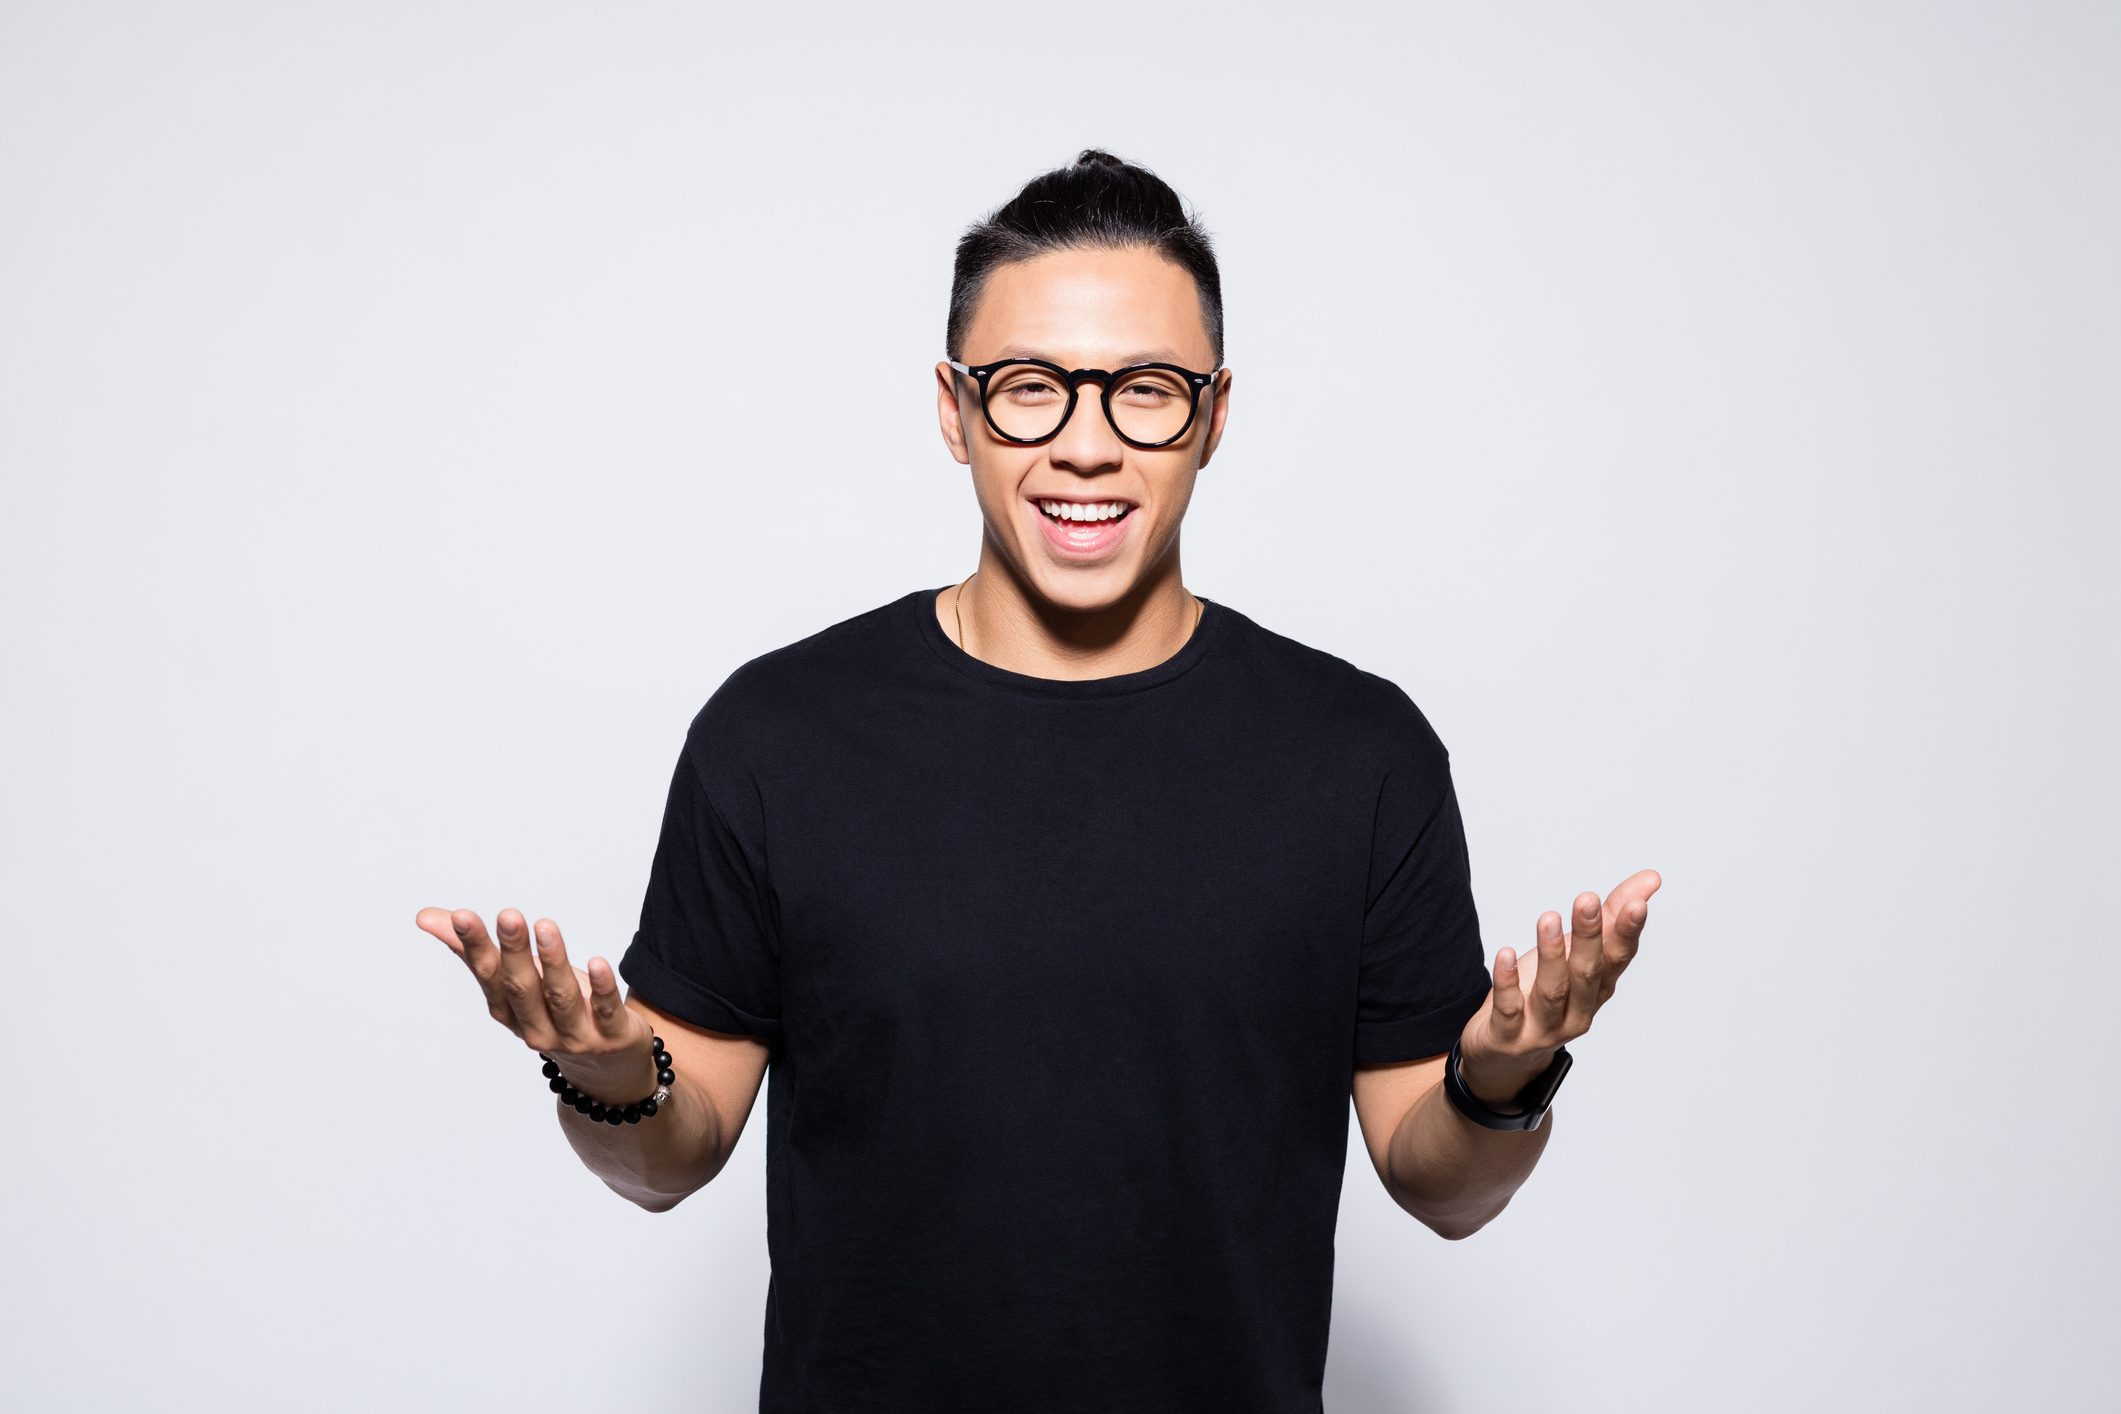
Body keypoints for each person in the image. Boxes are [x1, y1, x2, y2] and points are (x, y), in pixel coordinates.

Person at [416, 148, 1661, 1413]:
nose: (1086, 446)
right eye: (1030, 390)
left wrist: (1504, 1079)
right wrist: (608, 1076)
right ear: (954, 412)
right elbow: (667, 1160)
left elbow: (1437, 1181)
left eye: (1146, 393)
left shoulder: (1361, 752)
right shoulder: (778, 735)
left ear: (1215, 417)